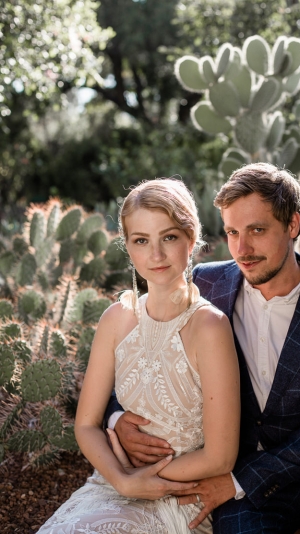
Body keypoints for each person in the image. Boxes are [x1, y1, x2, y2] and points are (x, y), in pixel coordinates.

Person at [106, 162, 300, 533]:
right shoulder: (204, 284)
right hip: (237, 482)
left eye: (257, 230)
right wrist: (117, 419)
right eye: (233, 232)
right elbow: (136, 351)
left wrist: (237, 482)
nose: (243, 248)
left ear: (293, 225)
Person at [38, 179, 241, 534]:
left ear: (191, 240)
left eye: (170, 237)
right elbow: (86, 424)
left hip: (180, 496)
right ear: (128, 247)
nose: (156, 255)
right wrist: (122, 479)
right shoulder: (116, 318)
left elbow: (221, 457)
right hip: (110, 485)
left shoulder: (209, 327)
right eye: (141, 241)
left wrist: (141, 477)